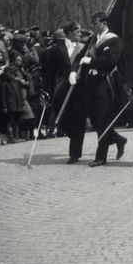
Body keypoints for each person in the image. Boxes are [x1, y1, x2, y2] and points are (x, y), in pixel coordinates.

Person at [70, 11, 127, 167]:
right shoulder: (92, 40)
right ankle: (118, 139)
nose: (93, 26)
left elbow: (110, 61)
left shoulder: (114, 40)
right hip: (90, 83)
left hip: (105, 83)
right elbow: (78, 57)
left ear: (103, 23)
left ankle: (101, 157)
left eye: (95, 23)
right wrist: (74, 71)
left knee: (102, 119)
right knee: (95, 120)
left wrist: (91, 61)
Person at [43, 22, 87, 163]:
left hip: (79, 89)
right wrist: (47, 90)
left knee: (78, 121)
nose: (80, 34)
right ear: (69, 33)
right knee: (62, 120)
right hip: (61, 88)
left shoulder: (84, 48)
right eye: (78, 32)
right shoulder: (55, 49)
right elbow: (49, 73)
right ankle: (72, 135)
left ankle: (74, 154)